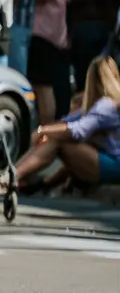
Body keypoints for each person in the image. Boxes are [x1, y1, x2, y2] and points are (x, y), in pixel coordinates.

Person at [12, 56, 120, 195]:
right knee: (61, 140)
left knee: (60, 142)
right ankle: (37, 183)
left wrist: (43, 130)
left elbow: (78, 130)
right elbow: (67, 122)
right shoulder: (107, 104)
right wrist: (46, 131)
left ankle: (12, 176)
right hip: (110, 162)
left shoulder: (107, 105)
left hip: (115, 165)